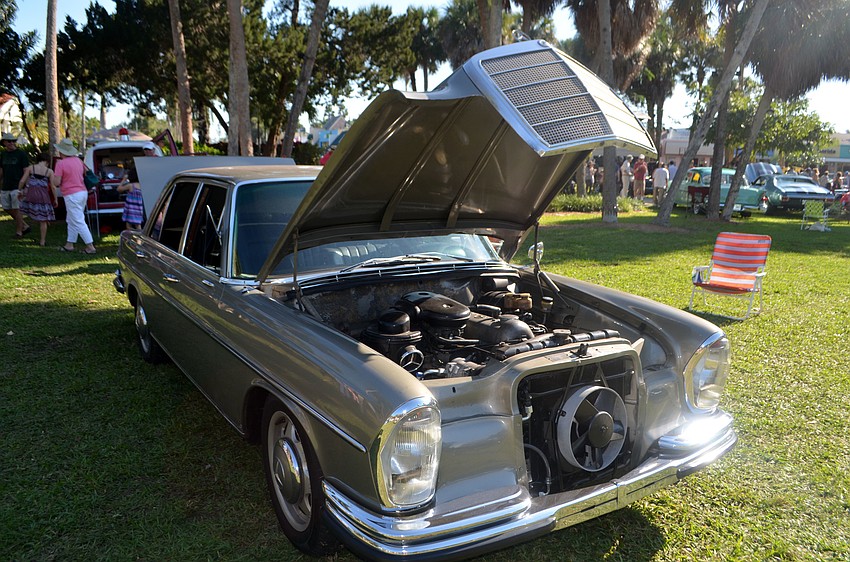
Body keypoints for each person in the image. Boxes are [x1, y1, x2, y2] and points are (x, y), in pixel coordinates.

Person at [52, 138, 96, 254]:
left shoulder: (60, 164)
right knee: (72, 219)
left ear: (61, 151)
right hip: (82, 192)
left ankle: (90, 246)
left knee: (77, 220)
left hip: (71, 194)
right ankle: (69, 244)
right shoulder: (78, 161)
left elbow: (56, 182)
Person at [17, 152, 57, 246]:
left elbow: (22, 180)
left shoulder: (31, 168)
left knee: (21, 211)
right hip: (43, 196)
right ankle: (42, 241)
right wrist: (55, 199)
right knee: (43, 220)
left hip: (31, 195)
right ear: (47, 161)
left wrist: (20, 191)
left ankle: (20, 229)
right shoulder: (49, 171)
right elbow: (53, 187)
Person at [116, 141, 156, 230]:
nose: (147, 152)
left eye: (149, 150)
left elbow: (119, 189)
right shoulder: (142, 162)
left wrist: (124, 180)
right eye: (146, 150)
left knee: (135, 223)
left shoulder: (158, 161)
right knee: (140, 221)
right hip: (143, 196)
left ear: (153, 150)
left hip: (148, 195)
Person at [0, 132, 32, 238]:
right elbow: (1, 170)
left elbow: (26, 171)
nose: (11, 143)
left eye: (13, 141)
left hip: (17, 186)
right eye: (9, 141)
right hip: (6, 185)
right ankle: (25, 226)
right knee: (6, 207)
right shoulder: (3, 154)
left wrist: (25, 186)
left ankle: (19, 232)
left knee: (17, 209)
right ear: (4, 142)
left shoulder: (21, 154)